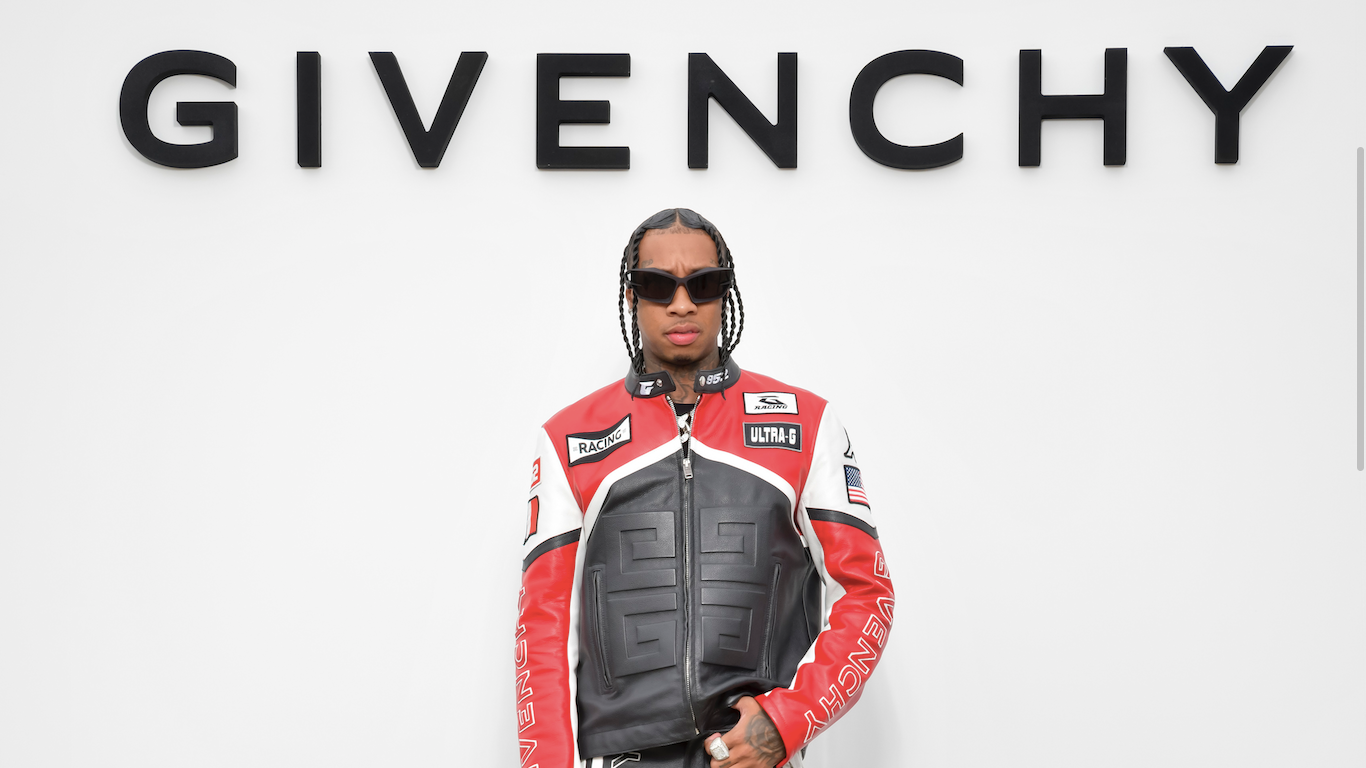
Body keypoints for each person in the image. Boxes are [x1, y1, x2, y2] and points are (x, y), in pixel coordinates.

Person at [515, 209, 894, 768]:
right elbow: (543, 629)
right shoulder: (568, 438)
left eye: (703, 283)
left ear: (725, 292)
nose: (681, 303)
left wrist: (787, 721)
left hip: (748, 757)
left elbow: (867, 594)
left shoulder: (808, 425)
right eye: (657, 285)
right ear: (631, 297)